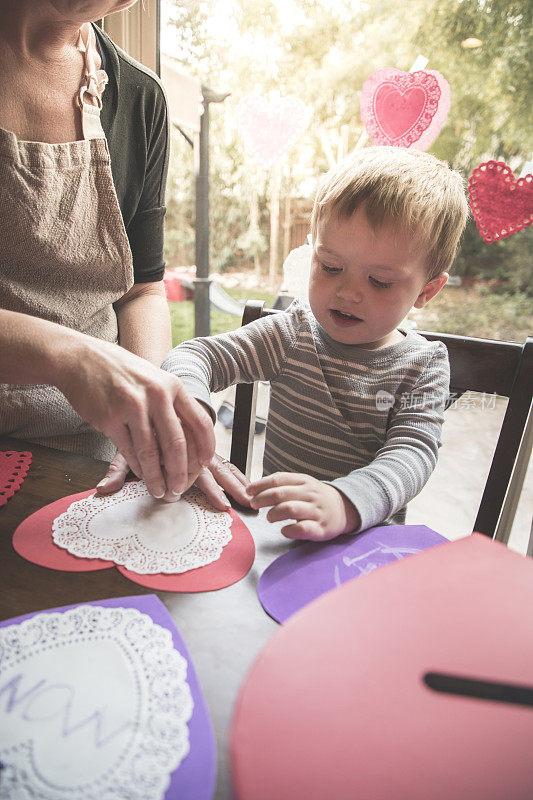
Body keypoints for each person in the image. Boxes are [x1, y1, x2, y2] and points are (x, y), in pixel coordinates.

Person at [161, 146, 469, 540]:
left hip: (362, 548)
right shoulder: (292, 334)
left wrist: (345, 502)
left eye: (380, 281)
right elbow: (196, 355)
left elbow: (413, 454)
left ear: (427, 290)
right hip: (279, 538)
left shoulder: (423, 366)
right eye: (331, 267)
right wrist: (193, 405)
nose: (348, 293)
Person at [0, 0, 214, 500]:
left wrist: (151, 416)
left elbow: (141, 290)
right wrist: (70, 357)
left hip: (89, 462)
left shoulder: (140, 98)